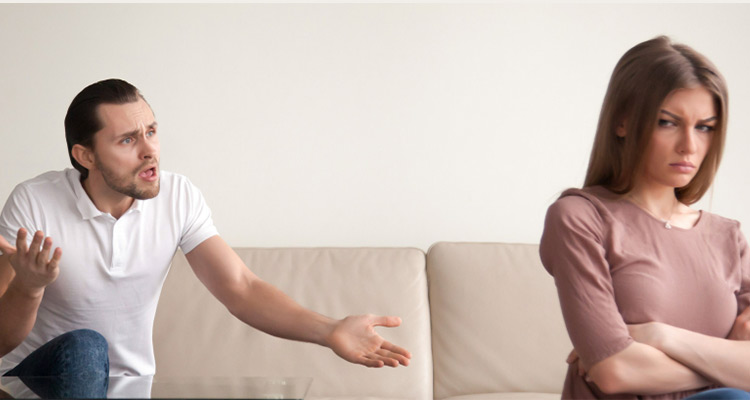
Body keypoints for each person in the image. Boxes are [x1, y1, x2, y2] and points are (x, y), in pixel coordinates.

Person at [0, 79, 411, 385]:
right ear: (85, 155)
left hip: (129, 388)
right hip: (30, 385)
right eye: (127, 140)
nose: (149, 150)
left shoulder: (177, 196)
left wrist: (329, 330)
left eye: (151, 132)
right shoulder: (35, 203)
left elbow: (242, 288)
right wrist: (30, 288)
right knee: (86, 348)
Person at [540, 36, 750, 399]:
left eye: (704, 127)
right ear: (622, 122)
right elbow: (616, 372)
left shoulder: (727, 237)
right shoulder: (580, 218)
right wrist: (726, 362)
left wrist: (660, 336)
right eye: (667, 123)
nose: (689, 146)